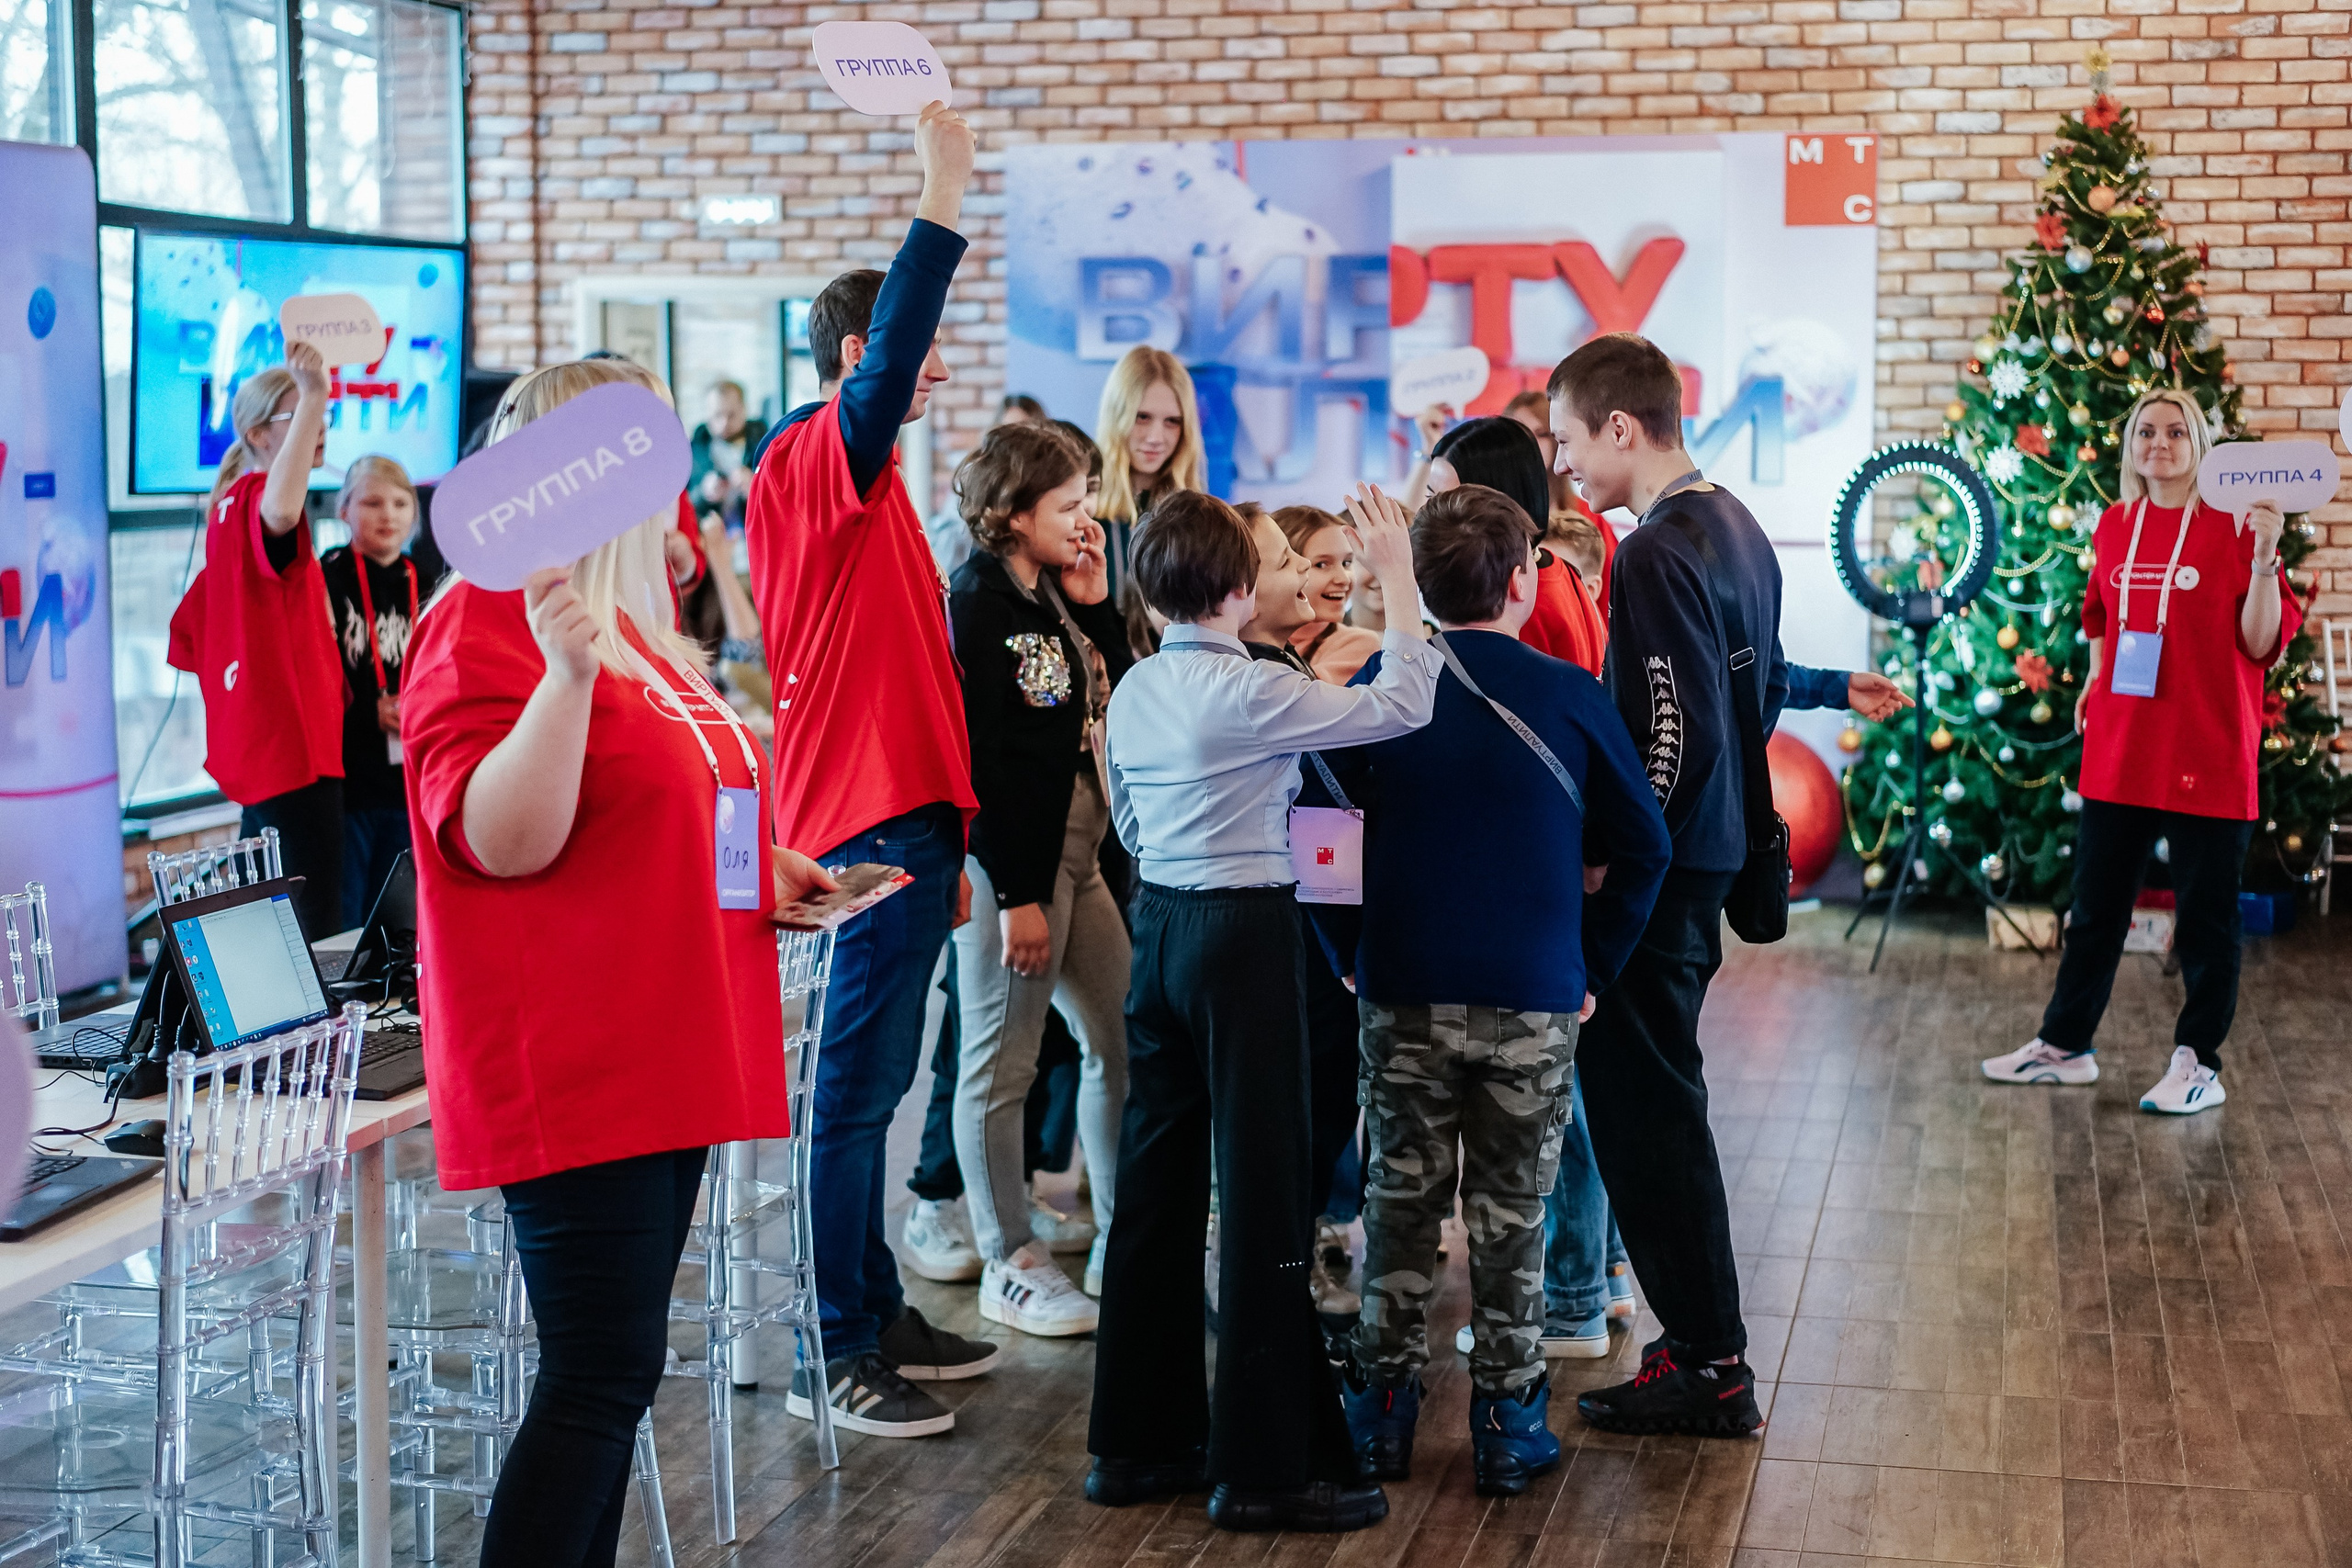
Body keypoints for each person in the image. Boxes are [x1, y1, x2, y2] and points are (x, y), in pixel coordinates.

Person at [398, 356, 840, 1567]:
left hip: (660, 1037)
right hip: (579, 1054)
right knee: (598, 1376)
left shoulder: (632, 623)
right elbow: (498, 837)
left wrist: (768, 870)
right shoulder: (483, 619)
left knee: (613, 1374)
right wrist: (567, 678)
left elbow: (662, 806)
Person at [1545, 332, 1912, 1436]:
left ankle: (1708, 1360)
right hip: (1707, 857)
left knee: (1648, 1115)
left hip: (1664, 867)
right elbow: (1734, 688)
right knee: (1665, 1105)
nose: (1561, 467)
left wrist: (1621, 851)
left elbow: (1672, 731)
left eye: (1566, 442)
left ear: (1620, 428)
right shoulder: (1733, 523)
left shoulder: (1651, 550)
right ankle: (1702, 1348)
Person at [1301, 482, 1671, 1497]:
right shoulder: (1569, 696)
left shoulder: (1379, 685)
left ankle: (1377, 1415)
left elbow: (1317, 830)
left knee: (1399, 1202)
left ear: (1415, 583)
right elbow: (1646, 844)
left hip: (1402, 986)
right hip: (1533, 996)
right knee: (1514, 1212)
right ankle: (1509, 1425)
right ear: (1520, 585)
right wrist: (1592, 967)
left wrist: (1344, 946)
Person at [1086, 485, 1436, 1534]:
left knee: (1154, 1189)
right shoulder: (1251, 692)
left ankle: (1137, 1446)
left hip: (1161, 931)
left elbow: (1135, 828)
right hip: (1243, 935)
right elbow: (1406, 703)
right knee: (1263, 1190)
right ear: (1240, 592)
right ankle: (1266, 1466)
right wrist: (1401, 577)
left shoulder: (1139, 688)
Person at [743, 99, 1001, 1438]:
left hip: (909, 824)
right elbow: (893, 353)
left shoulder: (871, 489)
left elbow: (912, 677)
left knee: (879, 1089)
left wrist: (951, 830)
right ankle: (827, 1345)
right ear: (858, 357)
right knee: (849, 1097)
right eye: (906, 358)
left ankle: (872, 1300)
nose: (928, 373)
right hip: (864, 825)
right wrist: (941, 190)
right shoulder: (808, 461)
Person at [1981, 387, 2297, 1113]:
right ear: (2131, 446)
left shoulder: (2236, 525)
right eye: (2146, 431)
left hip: (2208, 747)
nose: (2160, 443)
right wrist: (2096, 674)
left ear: (2199, 443)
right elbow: (2099, 608)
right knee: (2095, 911)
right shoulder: (2116, 525)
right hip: (2123, 747)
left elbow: (2260, 642)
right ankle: (2065, 1047)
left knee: (2209, 921)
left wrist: (2262, 561)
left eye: (2175, 431)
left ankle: (2198, 1064)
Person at [948, 422, 1135, 1335]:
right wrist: (1016, 894)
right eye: (1067, 505)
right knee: (1002, 1062)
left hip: (1079, 851)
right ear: (1014, 514)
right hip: (1013, 865)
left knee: (1121, 1033)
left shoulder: (1049, 591)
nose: (1085, 518)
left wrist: (1097, 609)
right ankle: (1006, 1255)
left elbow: (1108, 700)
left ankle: (1117, 1229)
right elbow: (987, 765)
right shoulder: (978, 603)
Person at [1230, 504, 1365, 1319]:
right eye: (1309, 562)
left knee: (1330, 1075)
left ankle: (1310, 1227)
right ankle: (1264, 1248)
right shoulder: (1257, 673)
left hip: (1328, 896)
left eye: (1348, 562)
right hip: (1272, 906)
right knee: (1278, 1090)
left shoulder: (1335, 659)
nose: (1334, 578)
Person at [167, 343, 346, 936]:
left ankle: (177, 1021)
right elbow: (281, 505)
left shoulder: (227, 511)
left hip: (283, 745)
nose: (318, 430)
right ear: (258, 434)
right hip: (292, 751)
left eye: (322, 418)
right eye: (300, 420)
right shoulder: (252, 504)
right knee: (308, 926)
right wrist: (315, 391)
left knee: (270, 910)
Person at [320, 455, 430, 929]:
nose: (388, 515)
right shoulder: (326, 579)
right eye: (372, 502)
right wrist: (368, 712)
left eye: (400, 503)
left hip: (410, 783)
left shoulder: (428, 580)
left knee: (400, 920)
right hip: (350, 783)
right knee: (348, 917)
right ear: (344, 510)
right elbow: (315, 679)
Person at [1429, 417, 1607, 674]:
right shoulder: (1550, 568)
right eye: (1430, 497)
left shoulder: (1519, 602)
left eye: (1448, 501)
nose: (1429, 513)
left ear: (1497, 499)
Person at [1093, 345, 1204, 590]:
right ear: (1116, 416)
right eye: (1142, 417)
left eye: (1172, 422)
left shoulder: (1199, 520)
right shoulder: (1079, 513)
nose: (1156, 437)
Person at [1507, 387, 1619, 611]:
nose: (1529, 444)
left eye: (1540, 434)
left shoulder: (1591, 519)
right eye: (1519, 433)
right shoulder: (1487, 520)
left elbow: (1614, 602)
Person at [1275, 506, 1384, 685]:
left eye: (1347, 563)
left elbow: (1293, 698)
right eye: (1322, 565)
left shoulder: (1359, 643)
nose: (1343, 579)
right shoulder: (1243, 637)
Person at [688, 380, 767, 531]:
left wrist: (757, 486)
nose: (724, 423)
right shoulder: (695, 449)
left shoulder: (765, 443)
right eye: (718, 415)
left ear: (743, 410)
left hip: (754, 535)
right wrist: (704, 492)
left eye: (731, 415)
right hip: (710, 540)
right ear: (707, 414)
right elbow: (685, 503)